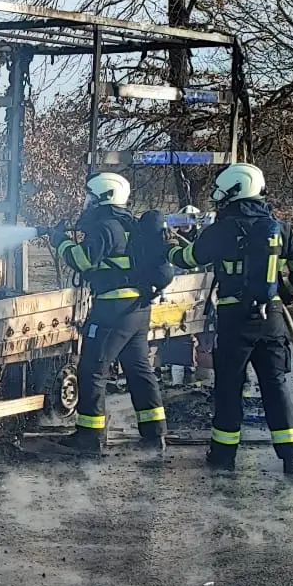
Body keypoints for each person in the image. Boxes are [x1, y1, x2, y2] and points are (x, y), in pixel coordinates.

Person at [170, 163, 293, 474]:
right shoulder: (280, 228)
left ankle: (223, 456)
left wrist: (166, 248)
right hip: (272, 317)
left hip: (235, 318)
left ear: (234, 191)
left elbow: (188, 258)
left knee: (229, 386)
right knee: (275, 384)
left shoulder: (222, 230)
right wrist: (284, 296)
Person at [50, 172, 170, 454]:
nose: (86, 202)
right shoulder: (129, 225)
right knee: (139, 369)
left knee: (92, 369)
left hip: (113, 309)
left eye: (90, 196)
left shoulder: (106, 226)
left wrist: (61, 242)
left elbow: (82, 260)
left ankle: (89, 438)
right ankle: (155, 434)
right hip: (138, 309)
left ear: (104, 196)